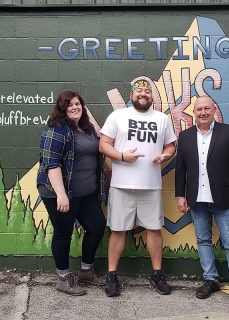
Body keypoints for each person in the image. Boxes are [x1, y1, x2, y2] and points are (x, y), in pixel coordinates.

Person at [99, 80, 177, 297]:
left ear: (152, 97)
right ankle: (112, 275)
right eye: (139, 91)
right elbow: (103, 144)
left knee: (154, 228)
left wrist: (166, 155)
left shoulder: (161, 119)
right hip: (121, 185)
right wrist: (123, 156)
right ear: (131, 95)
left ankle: (157, 273)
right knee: (117, 230)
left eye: (147, 91)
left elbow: (171, 145)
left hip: (150, 185)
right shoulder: (118, 116)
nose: (143, 94)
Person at [175, 95, 229, 309]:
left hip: (224, 199)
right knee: (203, 240)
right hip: (196, 199)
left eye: (207, 108)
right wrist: (180, 195)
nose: (203, 112)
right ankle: (211, 280)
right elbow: (181, 170)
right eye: (199, 109)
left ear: (214, 109)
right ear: (194, 112)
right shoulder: (185, 136)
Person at [37, 91, 106, 296]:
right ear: (62, 109)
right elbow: (51, 164)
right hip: (60, 193)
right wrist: (61, 194)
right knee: (63, 233)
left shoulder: (88, 129)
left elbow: (101, 142)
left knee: (97, 226)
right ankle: (63, 278)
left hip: (85, 193)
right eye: (69, 105)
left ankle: (86, 270)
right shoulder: (56, 130)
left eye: (77, 104)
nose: (75, 107)